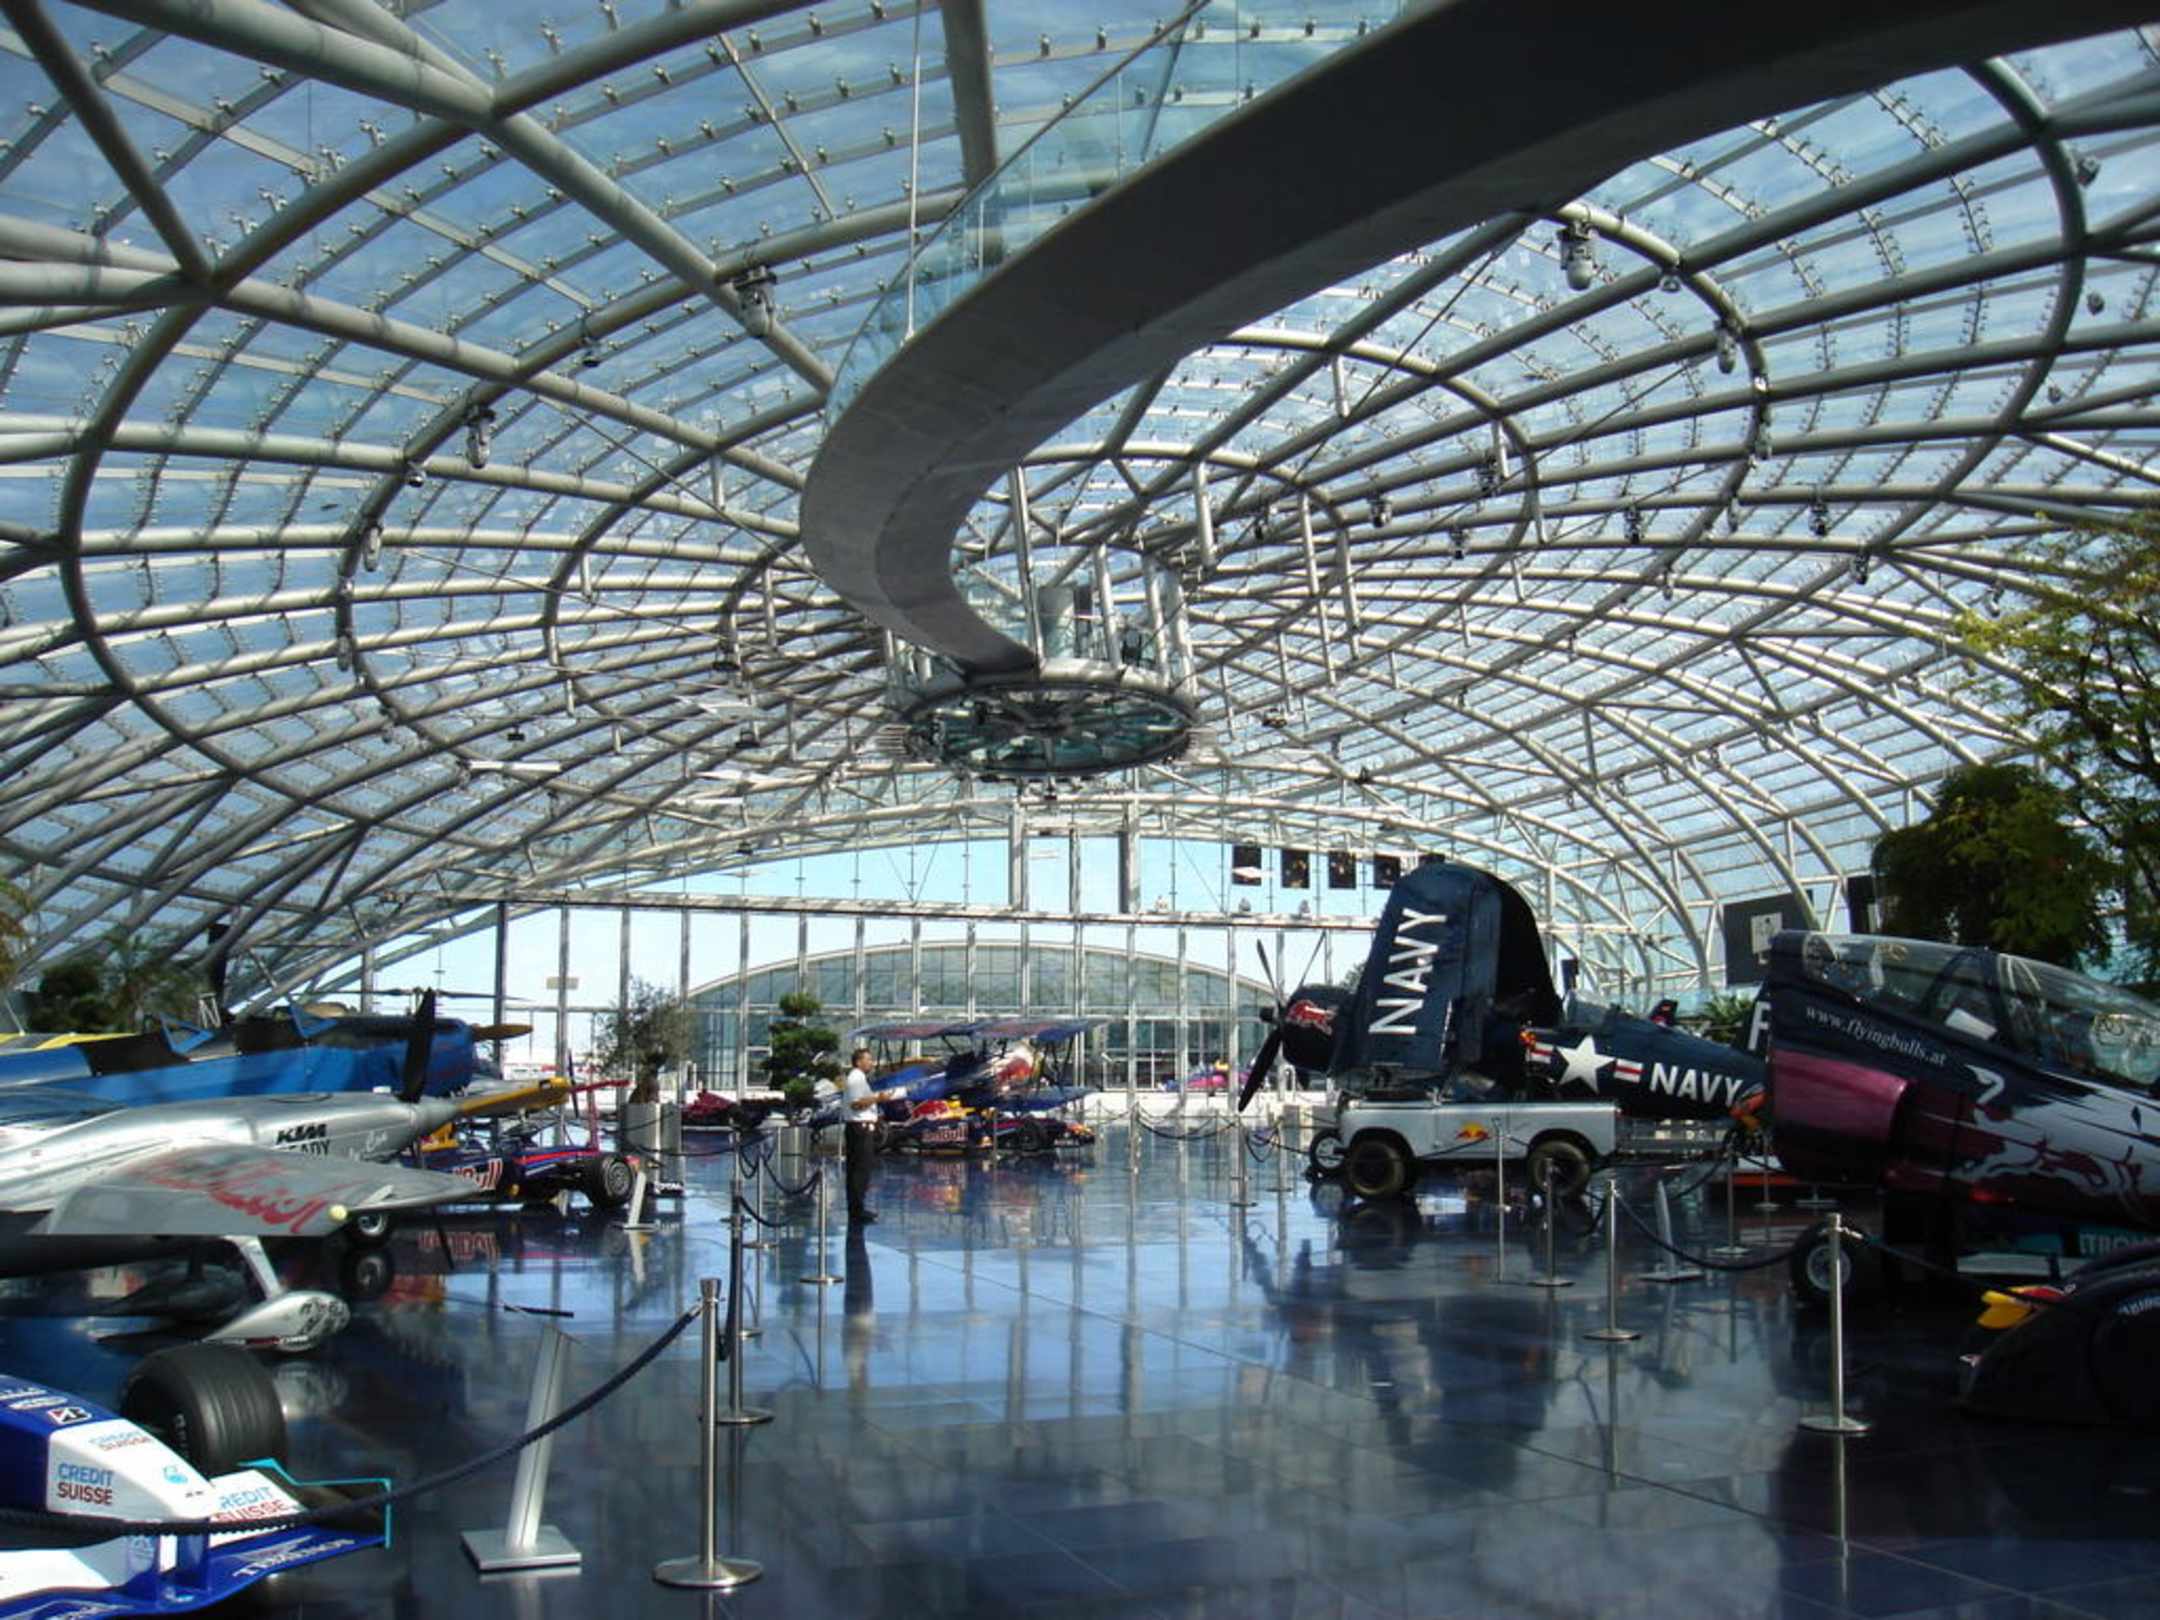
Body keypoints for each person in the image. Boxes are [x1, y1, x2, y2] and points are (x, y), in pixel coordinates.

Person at [841, 1046, 888, 1224]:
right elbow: (856, 1104)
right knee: (860, 1170)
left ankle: (858, 1207)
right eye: (868, 1059)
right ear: (858, 1061)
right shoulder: (856, 1079)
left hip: (862, 1128)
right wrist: (878, 1098)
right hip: (860, 1129)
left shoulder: (860, 1079)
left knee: (860, 1170)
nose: (871, 1063)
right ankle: (856, 1210)